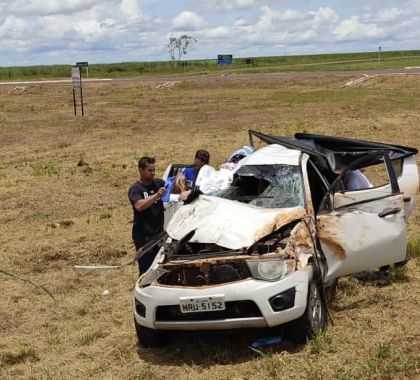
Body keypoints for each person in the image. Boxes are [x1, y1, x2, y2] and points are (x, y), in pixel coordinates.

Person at [128, 156, 166, 275]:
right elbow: (139, 206)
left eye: (154, 170)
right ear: (141, 170)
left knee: (159, 268)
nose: (153, 173)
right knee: (146, 271)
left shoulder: (158, 183)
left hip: (158, 235)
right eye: (150, 170)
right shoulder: (136, 189)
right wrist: (156, 195)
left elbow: (175, 191)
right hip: (144, 238)